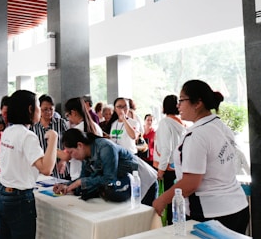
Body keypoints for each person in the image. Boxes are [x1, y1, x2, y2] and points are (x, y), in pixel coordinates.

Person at [153, 80, 249, 234]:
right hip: (238, 207)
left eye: (182, 100)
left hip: (212, 215)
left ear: (197, 103)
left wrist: (162, 200)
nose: (178, 106)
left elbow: (191, 183)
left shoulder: (196, 135)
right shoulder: (220, 126)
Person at [0, 90, 58, 239]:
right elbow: (47, 169)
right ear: (30, 109)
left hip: (2, 192)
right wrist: (53, 139)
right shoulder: (27, 135)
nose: (40, 111)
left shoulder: (8, 131)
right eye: (38, 106)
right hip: (19, 198)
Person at [53, 129, 157, 205]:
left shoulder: (105, 148)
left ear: (80, 145)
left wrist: (80, 182)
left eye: (71, 152)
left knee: (144, 221)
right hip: (126, 183)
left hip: (143, 180)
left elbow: (109, 179)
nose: (71, 157)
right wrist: (66, 185)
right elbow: (83, 177)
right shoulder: (86, 155)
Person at [153, 95, 186, 225]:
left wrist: (161, 169)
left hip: (166, 169)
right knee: (176, 204)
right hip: (177, 168)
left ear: (164, 106)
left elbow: (166, 149)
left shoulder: (165, 123)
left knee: (168, 203)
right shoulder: (181, 124)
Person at [64, 97, 103, 180]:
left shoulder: (76, 131)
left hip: (79, 175)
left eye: (68, 115)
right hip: (95, 174)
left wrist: (52, 149)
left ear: (73, 113)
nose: (69, 119)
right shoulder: (96, 127)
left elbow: (67, 156)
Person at [31, 94, 69, 179]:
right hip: (42, 170)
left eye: (51, 109)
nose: (48, 112)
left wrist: (64, 160)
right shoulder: (33, 127)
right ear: (39, 109)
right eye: (45, 109)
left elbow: (69, 144)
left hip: (61, 170)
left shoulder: (61, 123)